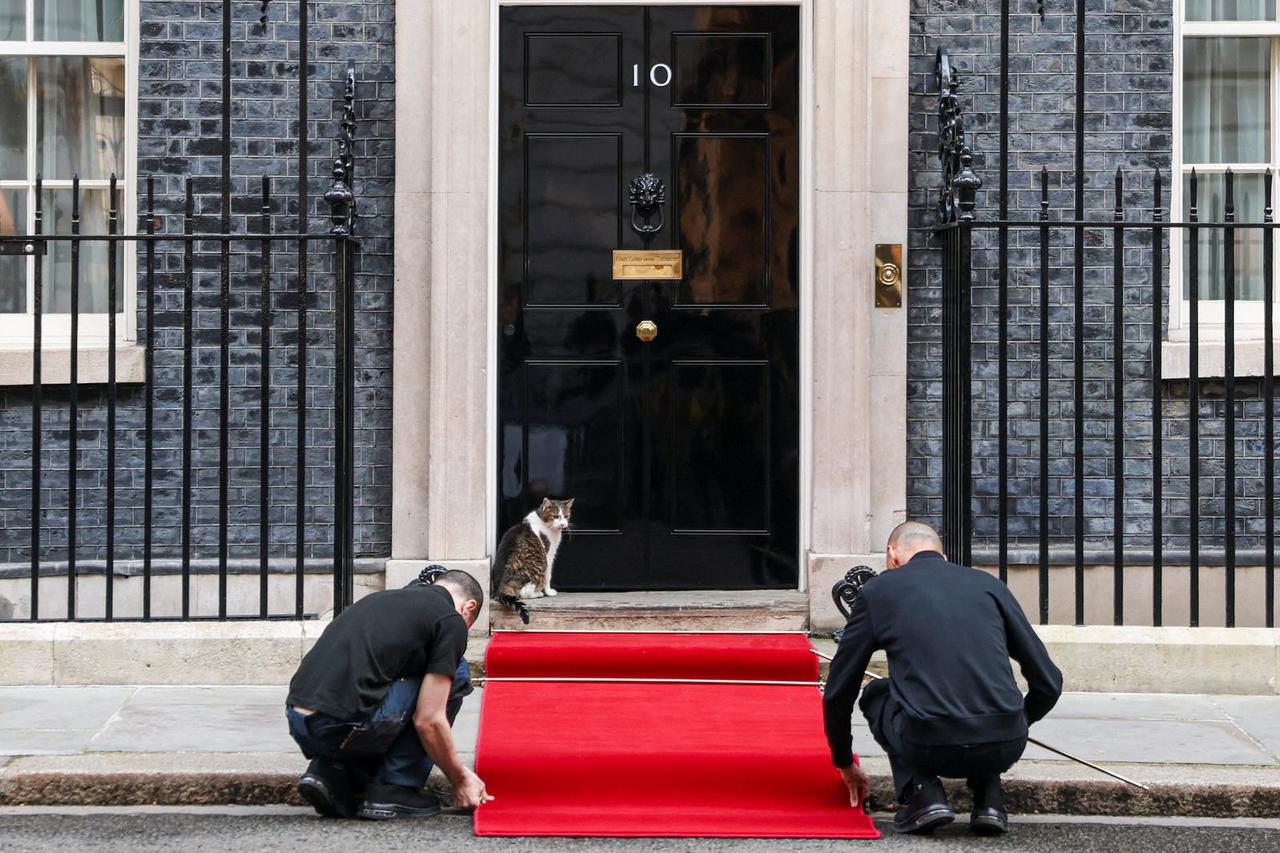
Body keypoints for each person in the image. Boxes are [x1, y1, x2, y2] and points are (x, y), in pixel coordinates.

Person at [822, 521, 1062, 836]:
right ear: (944, 556)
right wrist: (1014, 723)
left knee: (876, 693)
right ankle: (990, 799)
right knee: (983, 706)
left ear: (892, 555)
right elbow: (1049, 682)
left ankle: (924, 794)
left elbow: (840, 689)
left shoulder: (878, 592)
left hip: (928, 742)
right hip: (1006, 743)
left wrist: (844, 762)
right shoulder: (988, 585)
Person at [285, 567, 495, 820]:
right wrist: (459, 777)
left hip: (299, 721)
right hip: (342, 726)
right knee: (456, 673)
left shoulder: (379, 600)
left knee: (377, 684)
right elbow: (429, 720)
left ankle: (329, 771)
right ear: (468, 607)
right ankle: (395, 787)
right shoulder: (450, 620)